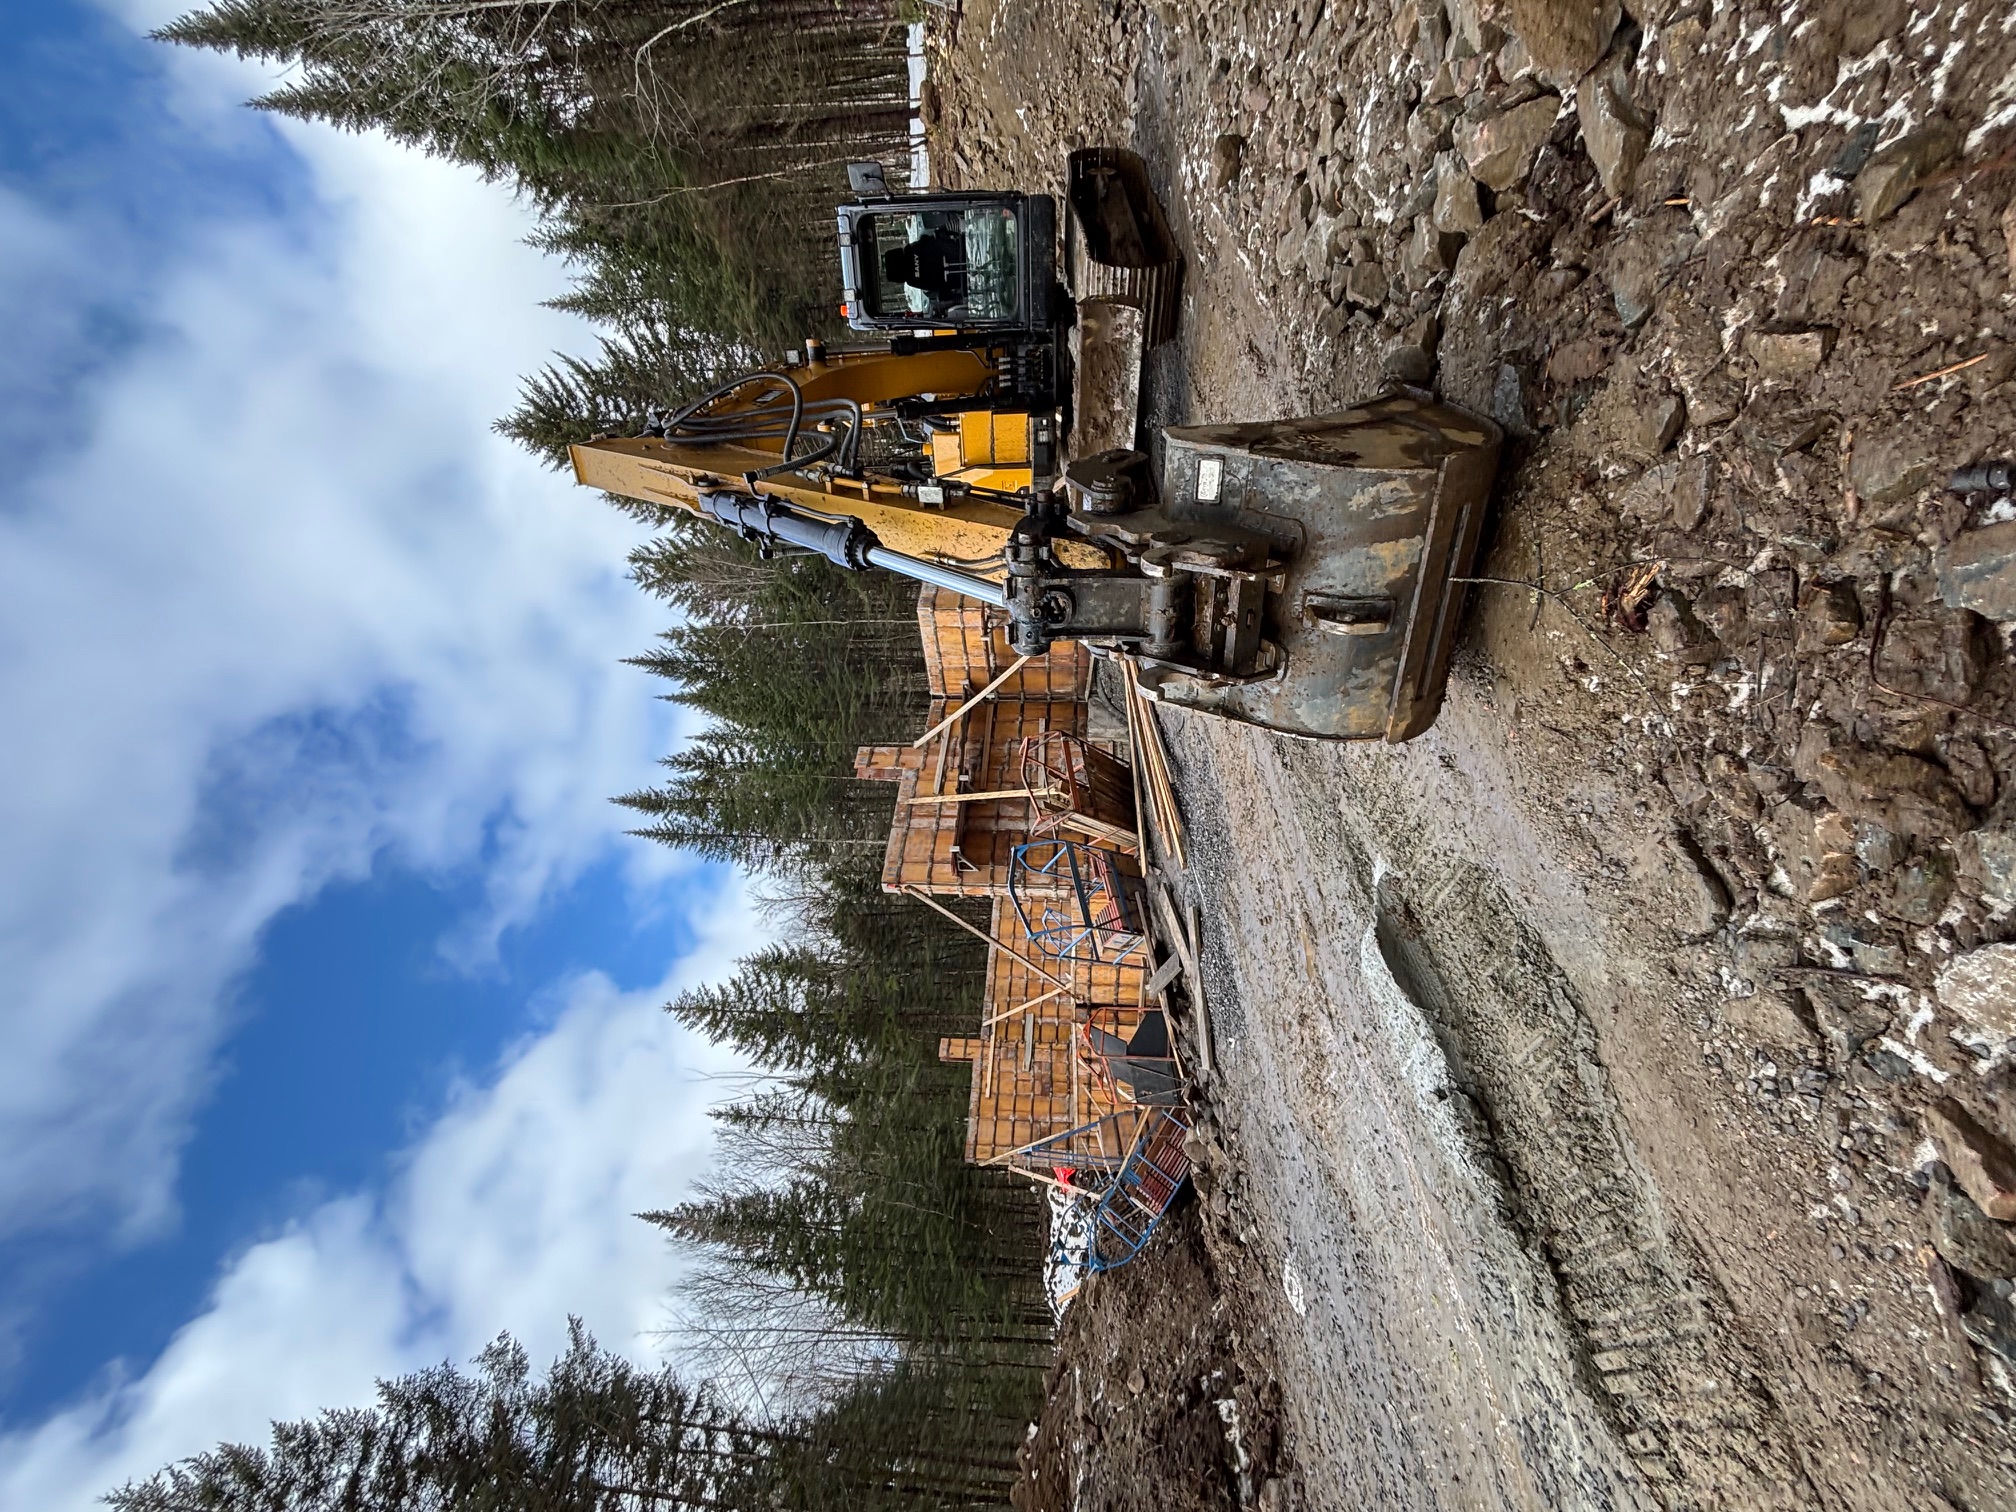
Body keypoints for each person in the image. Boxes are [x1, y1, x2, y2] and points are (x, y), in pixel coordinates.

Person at [881, 222, 964, 313]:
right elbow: (929, 238)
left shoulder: (913, 281)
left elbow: (935, 291)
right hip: (962, 246)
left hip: (962, 281)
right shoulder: (912, 250)